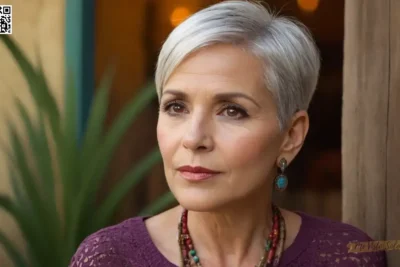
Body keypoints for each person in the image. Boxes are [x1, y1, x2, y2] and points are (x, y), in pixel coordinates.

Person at [69, 1, 387, 266]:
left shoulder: (347, 255)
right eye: (176, 107)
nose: (193, 138)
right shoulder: (109, 257)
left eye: (232, 111)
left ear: (291, 135)